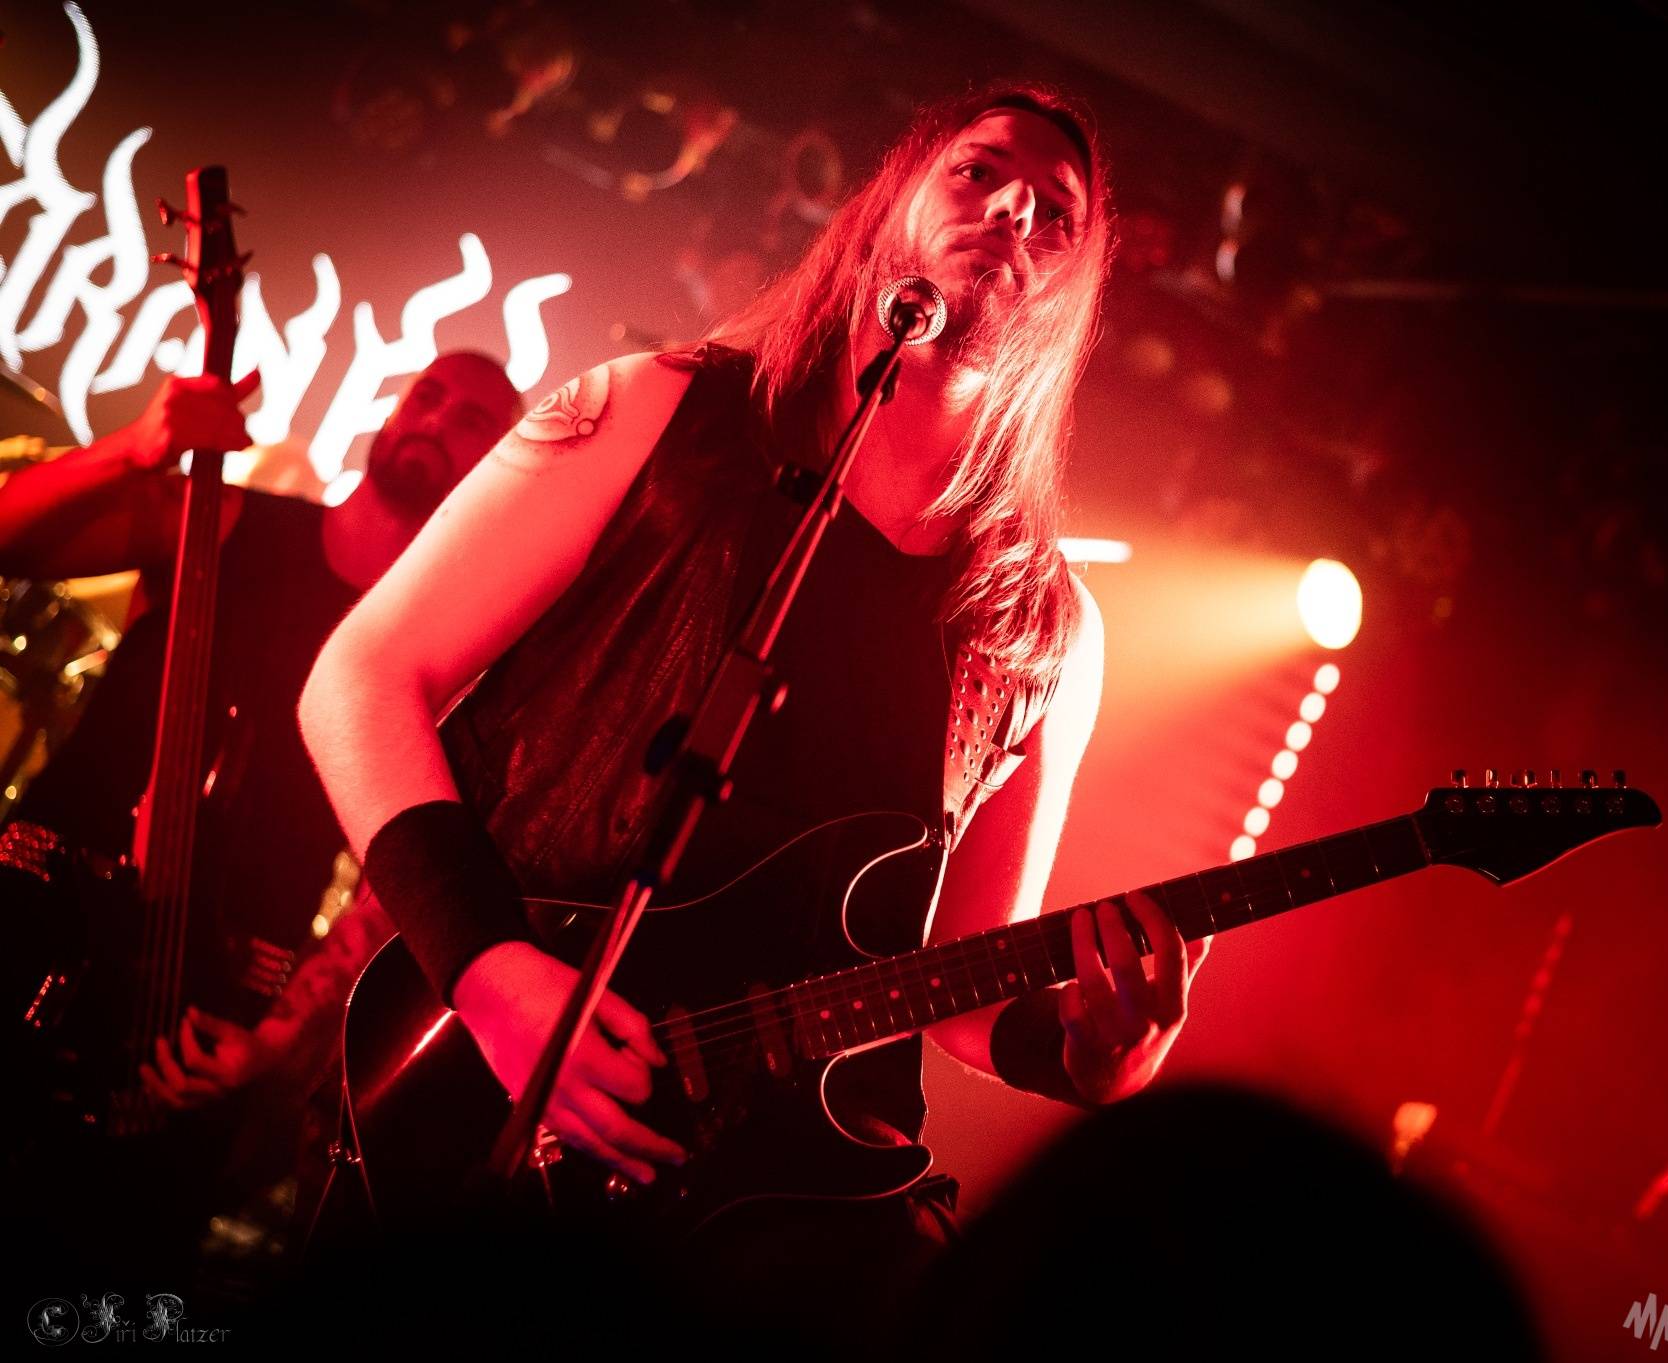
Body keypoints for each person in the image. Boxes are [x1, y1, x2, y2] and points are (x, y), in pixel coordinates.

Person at [298, 83, 1210, 1328]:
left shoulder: (1042, 622)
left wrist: (1094, 1054)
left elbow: (957, 982)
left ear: (1071, 296)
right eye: (978, 170)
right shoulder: (657, 407)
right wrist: (491, 969)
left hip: (787, 1222)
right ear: (892, 201)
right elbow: (361, 677)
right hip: (496, 1120)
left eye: (1056, 213)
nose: (1011, 209)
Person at [0, 352, 522, 1103]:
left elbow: (393, 883)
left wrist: (280, 1037)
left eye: (471, 419)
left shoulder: (446, 655)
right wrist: (135, 447)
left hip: (210, 1011)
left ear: (497, 467)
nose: (437, 421)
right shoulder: (228, 520)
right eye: (428, 396)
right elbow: (9, 539)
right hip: (35, 913)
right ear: (394, 409)